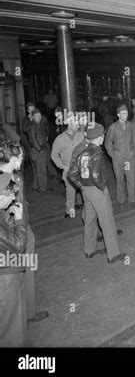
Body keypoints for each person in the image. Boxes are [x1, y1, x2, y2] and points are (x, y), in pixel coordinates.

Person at [0, 143, 49, 325]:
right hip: (13, 233)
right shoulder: (5, 180)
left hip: (22, 226)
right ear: (13, 159)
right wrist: (19, 225)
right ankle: (25, 313)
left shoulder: (16, 175)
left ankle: (26, 310)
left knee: (26, 268)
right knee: (20, 270)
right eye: (21, 158)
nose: (23, 161)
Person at [68, 124, 126, 264]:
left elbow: (71, 173)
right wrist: (102, 187)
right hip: (96, 190)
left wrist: (81, 186)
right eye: (102, 136)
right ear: (99, 137)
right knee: (107, 221)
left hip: (86, 190)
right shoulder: (97, 153)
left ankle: (89, 250)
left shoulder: (83, 152)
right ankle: (113, 253)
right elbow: (95, 174)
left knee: (90, 220)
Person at [0, 173, 27, 346]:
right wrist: (19, 221)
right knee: (11, 326)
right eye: (10, 195)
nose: (12, 199)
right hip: (6, 274)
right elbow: (18, 246)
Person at [105, 105, 135, 207]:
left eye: (127, 114)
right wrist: (113, 156)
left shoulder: (131, 126)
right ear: (118, 115)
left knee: (131, 179)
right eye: (123, 114)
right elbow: (108, 143)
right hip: (118, 158)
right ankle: (121, 201)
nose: (125, 116)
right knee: (119, 180)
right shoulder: (113, 127)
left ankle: (132, 200)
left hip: (130, 158)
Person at [51, 114, 84, 217]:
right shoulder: (59, 139)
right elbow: (54, 155)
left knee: (84, 189)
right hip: (68, 170)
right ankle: (69, 211)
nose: (78, 126)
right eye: (76, 124)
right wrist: (63, 166)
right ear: (69, 124)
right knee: (70, 191)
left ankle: (85, 207)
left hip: (81, 168)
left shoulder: (81, 135)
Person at [26, 108, 52, 193]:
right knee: (41, 170)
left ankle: (36, 186)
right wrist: (40, 149)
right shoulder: (33, 126)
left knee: (36, 169)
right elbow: (33, 139)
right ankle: (42, 188)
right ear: (32, 117)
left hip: (34, 150)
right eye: (37, 116)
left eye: (40, 116)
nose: (39, 117)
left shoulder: (33, 124)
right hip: (37, 151)